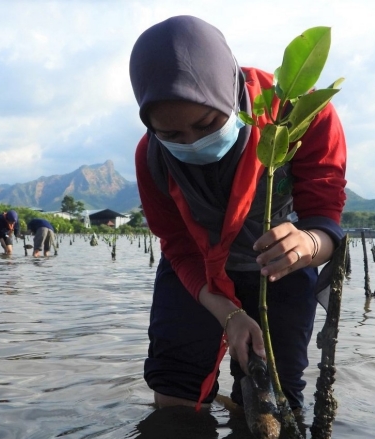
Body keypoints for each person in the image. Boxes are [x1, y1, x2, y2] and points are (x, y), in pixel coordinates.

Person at [129, 16, 347, 415]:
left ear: (229, 91)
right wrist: (228, 314)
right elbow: (178, 246)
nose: (193, 142)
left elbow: (326, 221)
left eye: (208, 123)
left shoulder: (299, 117)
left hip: (279, 267)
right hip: (196, 268)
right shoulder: (151, 156)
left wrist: (307, 243)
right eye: (173, 135)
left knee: (273, 399)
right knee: (174, 390)